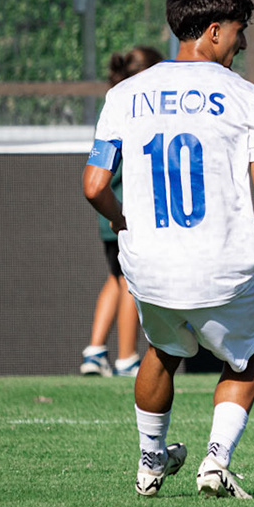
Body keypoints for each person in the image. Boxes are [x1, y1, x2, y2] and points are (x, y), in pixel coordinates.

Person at [81, 0, 254, 499]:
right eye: (240, 30)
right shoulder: (245, 96)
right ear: (215, 30)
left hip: (149, 267)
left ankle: (150, 462)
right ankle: (215, 462)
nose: (242, 43)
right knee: (244, 359)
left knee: (161, 351)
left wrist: (122, 218)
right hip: (223, 264)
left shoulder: (125, 95)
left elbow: (93, 186)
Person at [80, 45, 162, 378]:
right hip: (125, 212)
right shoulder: (134, 108)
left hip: (109, 212)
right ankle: (127, 357)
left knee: (115, 278)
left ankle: (95, 351)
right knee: (130, 279)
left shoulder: (114, 103)